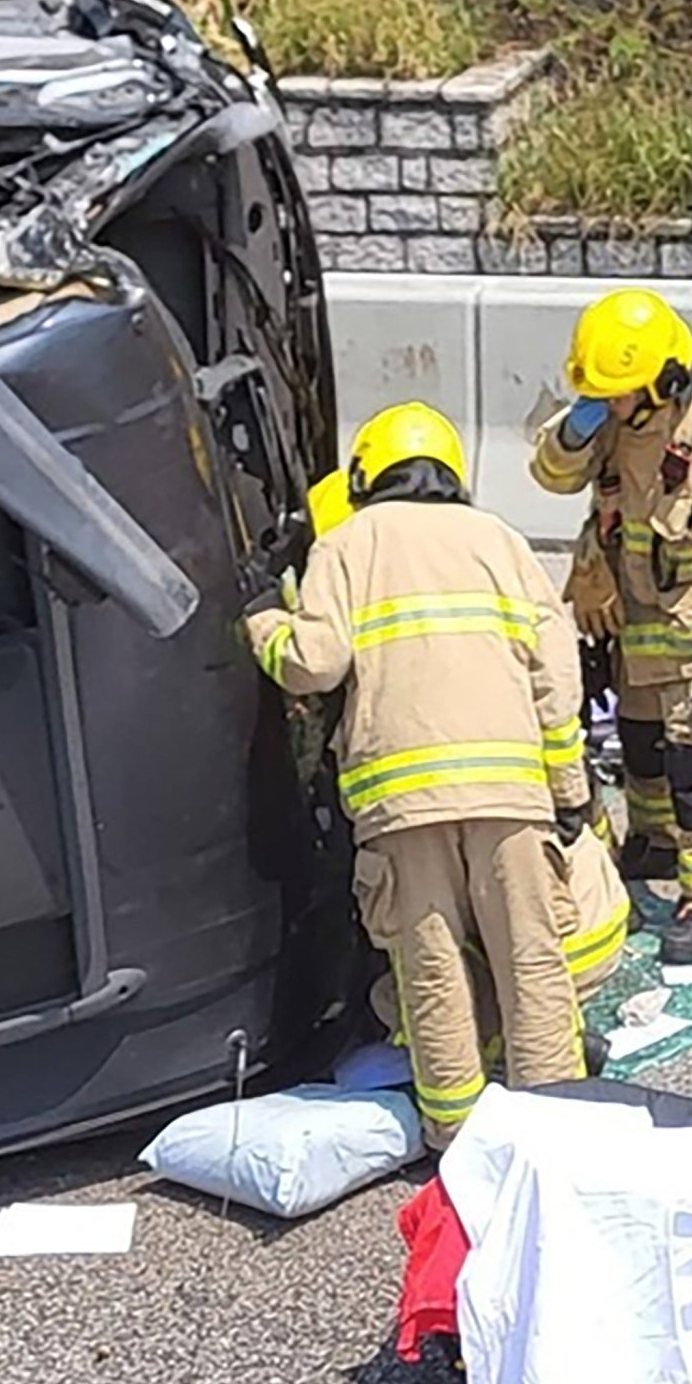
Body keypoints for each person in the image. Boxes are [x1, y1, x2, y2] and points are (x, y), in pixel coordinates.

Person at [249, 403, 591, 1143]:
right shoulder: (500, 540)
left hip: (402, 804)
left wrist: (264, 623)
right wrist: (568, 791)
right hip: (510, 791)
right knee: (531, 963)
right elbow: (555, 679)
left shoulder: (346, 545)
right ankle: (557, 1137)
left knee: (431, 970)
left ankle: (455, 1139)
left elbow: (315, 663)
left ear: (366, 476)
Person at [531, 287, 692, 967]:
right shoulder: (611, 417)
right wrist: (574, 431)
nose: (608, 404)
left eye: (616, 395)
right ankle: (653, 845)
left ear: (663, 381)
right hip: (634, 623)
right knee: (642, 747)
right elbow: (551, 476)